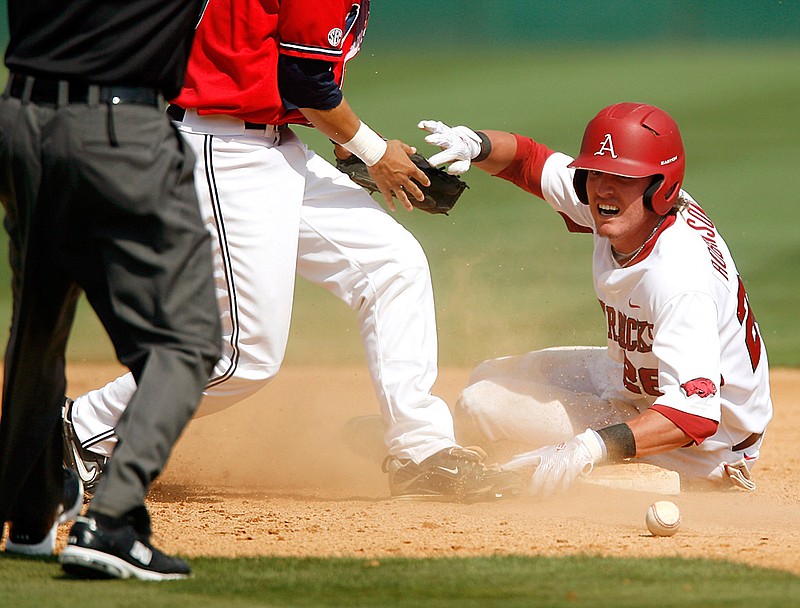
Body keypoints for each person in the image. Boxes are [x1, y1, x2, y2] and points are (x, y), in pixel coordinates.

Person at [61, 0, 520, 503]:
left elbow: (280, 68)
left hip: (269, 144)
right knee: (244, 356)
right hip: (221, 148)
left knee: (394, 265)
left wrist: (345, 144)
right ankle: (81, 429)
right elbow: (304, 79)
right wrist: (372, 152)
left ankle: (422, 451)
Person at [417, 102, 773, 496]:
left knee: (479, 403)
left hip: (707, 446)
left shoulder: (678, 277)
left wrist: (589, 446)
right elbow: (529, 160)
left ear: (661, 185)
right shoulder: (632, 208)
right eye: (596, 172)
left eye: (622, 176)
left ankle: (518, 474)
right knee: (487, 373)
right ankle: (490, 454)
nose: (604, 187)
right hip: (638, 379)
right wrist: (475, 144)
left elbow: (696, 413)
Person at [0, 0, 222, 580]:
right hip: (118, 131)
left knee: (37, 327)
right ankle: (113, 522)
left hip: (20, 121)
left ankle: (31, 509)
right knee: (188, 341)